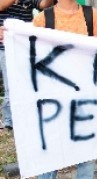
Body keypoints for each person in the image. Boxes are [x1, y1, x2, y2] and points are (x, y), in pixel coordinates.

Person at [11, 0, 97, 179]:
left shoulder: (93, 16)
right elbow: (29, 51)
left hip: (85, 91)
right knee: (50, 143)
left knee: (86, 139)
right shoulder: (44, 18)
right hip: (52, 94)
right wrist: (10, 35)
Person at [0, 0, 54, 131]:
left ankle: (25, 119)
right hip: (4, 46)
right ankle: (9, 122)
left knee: (27, 84)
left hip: (25, 46)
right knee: (10, 86)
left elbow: (43, 5)